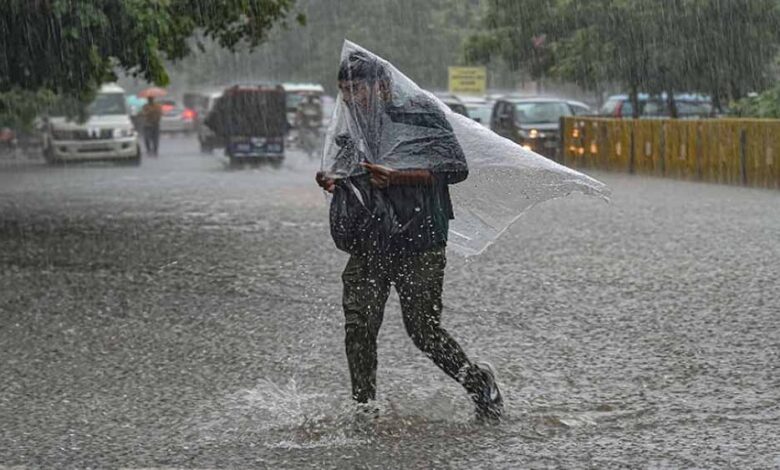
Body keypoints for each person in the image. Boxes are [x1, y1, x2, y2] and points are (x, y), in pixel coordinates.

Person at [316, 51, 503, 421]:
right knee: (359, 326)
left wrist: (398, 176)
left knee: (422, 330)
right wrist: (334, 181)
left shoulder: (420, 113)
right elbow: (352, 171)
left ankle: (479, 384)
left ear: (382, 85)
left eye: (358, 89)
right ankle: (364, 408)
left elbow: (455, 168)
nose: (351, 98)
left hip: (420, 238)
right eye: (344, 91)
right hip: (371, 238)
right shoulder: (352, 124)